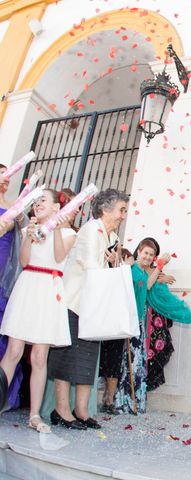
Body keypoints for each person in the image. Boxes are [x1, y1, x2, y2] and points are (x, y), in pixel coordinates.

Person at [47, 188, 129, 430]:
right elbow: (90, 265)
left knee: (87, 359)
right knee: (66, 355)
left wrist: (114, 262)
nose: (123, 215)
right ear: (105, 209)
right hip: (75, 301)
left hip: (93, 307)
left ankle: (81, 410)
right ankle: (61, 410)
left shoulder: (112, 238)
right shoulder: (92, 229)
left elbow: (110, 269)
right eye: (121, 210)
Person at [0, 189, 76, 432]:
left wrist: (53, 229)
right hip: (28, 286)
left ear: (57, 207)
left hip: (48, 290)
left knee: (39, 357)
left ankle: (34, 415)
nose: (38, 203)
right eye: (37, 201)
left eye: (44, 200)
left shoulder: (69, 233)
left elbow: (58, 256)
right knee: (13, 351)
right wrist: (28, 237)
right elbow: (23, 262)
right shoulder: (27, 229)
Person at [114, 237, 191, 414]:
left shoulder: (141, 272)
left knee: (138, 361)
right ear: (139, 252)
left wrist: (160, 267)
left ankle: (134, 403)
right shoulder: (131, 269)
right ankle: (125, 401)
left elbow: (148, 285)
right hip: (131, 319)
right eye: (146, 253)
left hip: (140, 321)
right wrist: (159, 267)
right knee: (130, 361)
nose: (148, 257)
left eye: (152, 255)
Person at [0, 165, 24, 411]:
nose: (5, 180)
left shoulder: (13, 204)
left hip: (6, 263)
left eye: (8, 176)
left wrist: (19, 220)